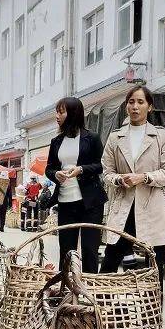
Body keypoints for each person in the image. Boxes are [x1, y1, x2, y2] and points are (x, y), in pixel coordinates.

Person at [99, 85, 165, 286]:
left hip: (153, 208)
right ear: (126, 106)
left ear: (149, 107)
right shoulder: (115, 137)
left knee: (154, 268)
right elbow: (107, 171)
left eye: (140, 102)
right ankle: (99, 310)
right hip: (124, 207)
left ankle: (153, 315)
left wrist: (143, 177)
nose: (135, 106)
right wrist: (119, 180)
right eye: (131, 102)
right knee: (109, 263)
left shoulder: (161, 136)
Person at [46, 96, 107, 272]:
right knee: (66, 250)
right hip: (65, 201)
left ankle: (89, 289)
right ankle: (66, 289)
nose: (57, 115)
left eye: (61, 111)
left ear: (73, 113)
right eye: (56, 111)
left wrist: (81, 169)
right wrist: (55, 174)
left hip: (91, 202)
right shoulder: (56, 141)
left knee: (90, 249)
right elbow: (49, 168)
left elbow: (101, 165)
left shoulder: (92, 138)